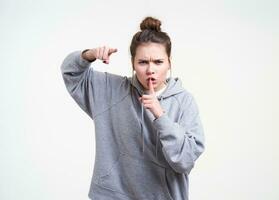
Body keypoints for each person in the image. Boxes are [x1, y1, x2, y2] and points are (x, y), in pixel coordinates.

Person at [61, 16, 205, 200]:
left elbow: (186, 161)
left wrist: (160, 115)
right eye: (143, 62)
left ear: (169, 62)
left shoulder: (184, 102)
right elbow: (71, 73)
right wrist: (89, 55)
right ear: (133, 64)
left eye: (158, 62)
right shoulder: (110, 90)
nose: (150, 69)